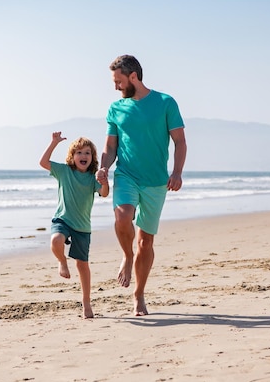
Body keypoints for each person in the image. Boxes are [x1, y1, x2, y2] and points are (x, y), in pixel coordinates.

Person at [96, 55, 187, 316]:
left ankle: (139, 295)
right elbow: (110, 146)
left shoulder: (165, 103)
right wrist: (104, 167)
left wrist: (177, 172)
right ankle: (126, 255)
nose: (115, 87)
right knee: (122, 216)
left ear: (133, 77)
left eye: (118, 81)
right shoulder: (116, 108)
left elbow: (180, 141)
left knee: (146, 242)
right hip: (126, 174)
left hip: (156, 181)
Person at [40, 131, 110, 318]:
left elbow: (104, 194)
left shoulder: (92, 177)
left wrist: (104, 181)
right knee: (56, 241)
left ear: (92, 157)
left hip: (82, 227)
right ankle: (62, 262)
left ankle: (86, 302)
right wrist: (54, 142)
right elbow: (43, 162)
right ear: (72, 156)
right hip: (62, 219)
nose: (83, 156)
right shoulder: (64, 171)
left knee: (82, 265)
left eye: (87, 152)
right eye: (79, 152)